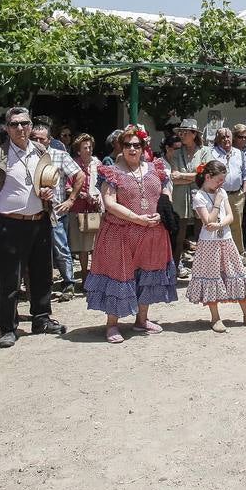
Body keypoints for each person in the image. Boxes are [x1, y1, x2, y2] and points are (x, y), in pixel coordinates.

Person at [0, 106, 67, 348]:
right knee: (9, 278)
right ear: (7, 128)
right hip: (10, 224)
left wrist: (49, 192)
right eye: (15, 124)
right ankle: (8, 327)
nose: (21, 128)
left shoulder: (41, 152)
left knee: (42, 273)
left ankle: (41, 318)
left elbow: (50, 181)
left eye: (25, 123)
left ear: (31, 126)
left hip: (40, 220)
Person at [85, 125, 177, 343]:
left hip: (152, 232)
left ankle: (141, 320)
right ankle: (112, 324)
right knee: (119, 276)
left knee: (147, 275)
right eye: (127, 145)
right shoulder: (112, 171)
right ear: (121, 147)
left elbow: (167, 188)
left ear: (144, 146)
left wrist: (163, 208)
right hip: (120, 233)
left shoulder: (156, 168)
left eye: (137, 145)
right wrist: (137, 218)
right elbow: (109, 203)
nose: (132, 149)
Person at [187, 160, 246, 332]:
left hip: (226, 239)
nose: (221, 184)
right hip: (209, 244)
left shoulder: (221, 191)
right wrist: (217, 203)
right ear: (208, 177)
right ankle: (215, 318)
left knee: (236, 273)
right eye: (218, 180)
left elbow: (230, 217)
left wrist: (221, 224)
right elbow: (208, 220)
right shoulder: (199, 196)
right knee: (211, 277)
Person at [31, 122, 81, 299]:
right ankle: (41, 285)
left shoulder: (59, 155)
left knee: (60, 248)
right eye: (34, 138)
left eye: (41, 139)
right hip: (31, 213)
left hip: (55, 211)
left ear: (49, 140)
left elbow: (79, 175)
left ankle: (68, 283)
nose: (37, 141)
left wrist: (71, 200)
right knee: (36, 251)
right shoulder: (26, 157)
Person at [195, 127, 246, 265]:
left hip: (237, 194)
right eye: (222, 137)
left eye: (228, 137)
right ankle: (218, 257)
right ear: (217, 139)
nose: (226, 140)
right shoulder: (212, 153)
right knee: (216, 223)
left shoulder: (239, 153)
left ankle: (238, 254)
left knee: (236, 225)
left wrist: (244, 191)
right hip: (217, 195)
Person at [66, 133, 103, 289]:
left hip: (94, 210)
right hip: (79, 210)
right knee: (82, 247)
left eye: (90, 147)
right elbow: (67, 187)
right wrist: (81, 194)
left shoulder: (98, 164)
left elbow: (103, 184)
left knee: (95, 245)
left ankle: (96, 276)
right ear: (79, 150)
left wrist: (98, 197)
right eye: (85, 147)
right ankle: (84, 277)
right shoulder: (73, 165)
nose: (88, 150)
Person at [164, 124, 199, 276]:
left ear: (194, 134)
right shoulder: (177, 153)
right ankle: (174, 268)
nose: (182, 135)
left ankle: (202, 269)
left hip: (200, 199)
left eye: (185, 132)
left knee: (201, 235)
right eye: (181, 132)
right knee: (178, 236)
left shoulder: (204, 152)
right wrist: (194, 177)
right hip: (180, 199)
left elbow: (204, 176)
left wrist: (184, 176)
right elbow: (173, 177)